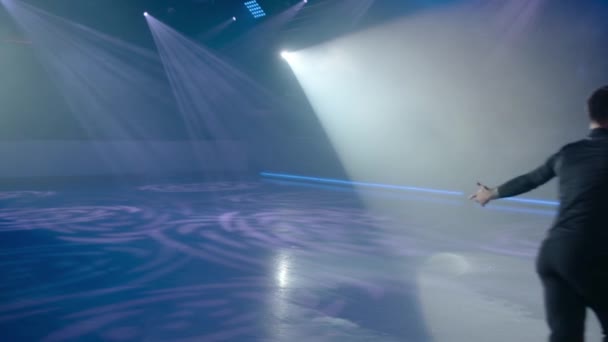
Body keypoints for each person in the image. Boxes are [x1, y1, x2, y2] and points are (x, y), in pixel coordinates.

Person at [469, 85, 608, 342]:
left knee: (565, 336)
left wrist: (490, 193)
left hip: (553, 255)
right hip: (590, 257)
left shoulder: (569, 152)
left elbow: (531, 179)